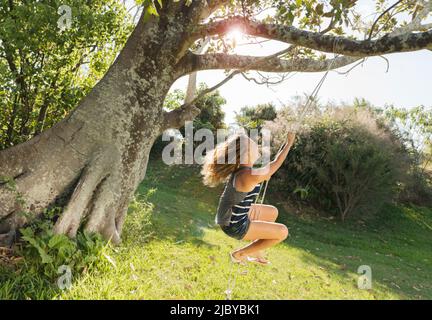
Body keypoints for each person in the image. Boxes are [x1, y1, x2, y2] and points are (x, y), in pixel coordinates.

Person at [201, 132, 296, 264]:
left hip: (232, 215)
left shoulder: (245, 171)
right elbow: (274, 164)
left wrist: (263, 175)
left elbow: (261, 174)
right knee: (282, 232)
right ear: (246, 153)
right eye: (254, 146)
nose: (257, 146)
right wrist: (289, 144)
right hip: (234, 225)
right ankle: (239, 254)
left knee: (272, 212)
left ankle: (256, 250)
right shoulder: (247, 175)